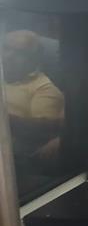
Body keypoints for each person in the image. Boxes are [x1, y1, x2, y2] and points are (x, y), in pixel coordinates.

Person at [2, 30, 64, 161]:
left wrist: (5, 120)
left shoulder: (44, 89)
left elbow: (42, 133)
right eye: (6, 48)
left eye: (19, 52)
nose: (9, 56)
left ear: (34, 59)